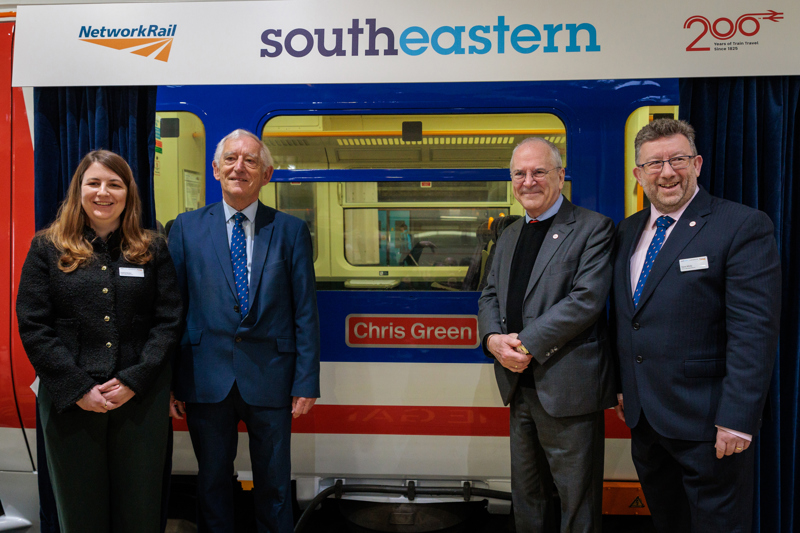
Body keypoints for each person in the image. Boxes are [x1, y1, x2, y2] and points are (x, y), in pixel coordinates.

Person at [611, 119, 781, 532]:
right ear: (638, 174)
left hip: (710, 425)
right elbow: (627, 319)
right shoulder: (627, 231)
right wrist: (621, 386)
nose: (667, 172)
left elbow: (754, 331)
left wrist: (738, 417)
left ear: (698, 163)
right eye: (654, 163)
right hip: (646, 423)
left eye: (677, 160)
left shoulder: (741, 225)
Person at [16, 150, 182, 533]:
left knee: (139, 514)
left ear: (128, 194)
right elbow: (33, 325)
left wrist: (133, 381)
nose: (103, 192)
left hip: (140, 402)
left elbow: (168, 321)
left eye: (114, 184)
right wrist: (77, 388)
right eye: (93, 183)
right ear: (78, 190)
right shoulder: (47, 248)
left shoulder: (152, 249)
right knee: (80, 515)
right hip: (70, 404)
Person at [168, 129, 320, 533]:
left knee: (274, 487)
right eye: (231, 159)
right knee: (212, 483)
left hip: (272, 377)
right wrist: (170, 381)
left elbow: (305, 310)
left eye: (251, 160)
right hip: (205, 378)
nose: (240, 167)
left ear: (267, 174)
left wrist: (306, 380)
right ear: (215, 169)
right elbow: (172, 310)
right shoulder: (184, 229)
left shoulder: (290, 231)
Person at [478, 137, 616, 532]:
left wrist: (522, 344)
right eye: (519, 173)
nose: (528, 181)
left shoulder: (593, 228)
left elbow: (585, 302)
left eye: (539, 171)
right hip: (518, 385)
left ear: (560, 175)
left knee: (577, 503)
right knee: (527, 498)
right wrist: (492, 341)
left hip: (568, 389)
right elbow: (488, 295)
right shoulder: (508, 235)